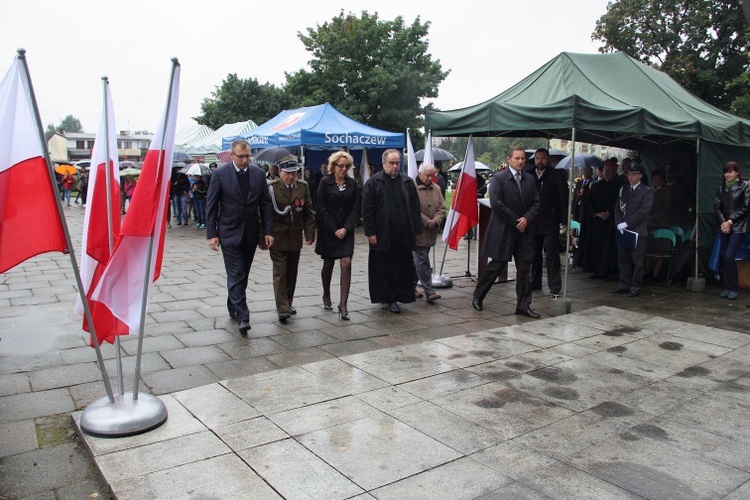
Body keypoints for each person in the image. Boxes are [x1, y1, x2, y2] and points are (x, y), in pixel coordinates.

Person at [206, 139, 274, 334]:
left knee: (242, 274)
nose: (245, 160)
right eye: (241, 156)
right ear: (232, 155)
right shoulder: (220, 174)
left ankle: (233, 305)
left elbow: (265, 205)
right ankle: (243, 317)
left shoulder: (259, 174)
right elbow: (212, 205)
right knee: (236, 273)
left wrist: (268, 231)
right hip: (228, 232)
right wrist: (212, 234)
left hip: (250, 232)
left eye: (247, 156)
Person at [472, 146, 540, 318]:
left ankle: (523, 305)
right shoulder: (499, 178)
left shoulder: (530, 180)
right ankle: (478, 296)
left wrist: (526, 219)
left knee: (524, 268)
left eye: (523, 158)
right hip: (504, 230)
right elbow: (497, 203)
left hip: (524, 232)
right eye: (517, 158)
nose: (520, 161)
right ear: (509, 159)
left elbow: (536, 202)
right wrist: (516, 221)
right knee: (496, 265)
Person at [361, 148, 424, 313]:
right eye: (391, 163)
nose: (395, 166)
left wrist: (417, 229)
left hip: (403, 234)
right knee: (384, 267)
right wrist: (370, 232)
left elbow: (415, 207)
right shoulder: (374, 183)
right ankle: (388, 298)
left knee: (402, 266)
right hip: (382, 234)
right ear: (384, 164)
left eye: (397, 163)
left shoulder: (407, 182)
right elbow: (367, 210)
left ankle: (401, 295)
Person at [265, 156, 316, 323]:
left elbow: (308, 212)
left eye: (294, 173)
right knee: (280, 272)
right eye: (288, 173)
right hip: (278, 237)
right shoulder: (272, 188)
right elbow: (265, 215)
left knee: (292, 272)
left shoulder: (302, 187)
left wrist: (309, 234)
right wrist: (264, 235)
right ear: (280, 172)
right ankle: (282, 308)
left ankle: (288, 301)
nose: (291, 177)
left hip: (294, 237)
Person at [315, 151, 360, 320]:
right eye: (341, 166)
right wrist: (334, 229)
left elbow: (356, 208)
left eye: (347, 166)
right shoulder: (325, 183)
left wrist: (346, 228)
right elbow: (321, 208)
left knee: (346, 263)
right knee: (328, 263)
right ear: (333, 166)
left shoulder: (353, 184)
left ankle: (343, 304)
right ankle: (326, 293)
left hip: (346, 230)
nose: (344, 169)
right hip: (329, 230)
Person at [527, 148, 568, 295]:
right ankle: (535, 281)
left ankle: (555, 286)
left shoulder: (557, 176)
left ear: (548, 160)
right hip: (532, 221)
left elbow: (563, 198)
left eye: (543, 158)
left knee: (551, 253)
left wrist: (564, 220)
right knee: (534, 253)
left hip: (550, 221)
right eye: (537, 158)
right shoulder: (529, 175)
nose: (540, 161)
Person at [612, 162, 653, 297]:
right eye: (629, 174)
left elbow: (643, 212)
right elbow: (618, 208)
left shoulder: (646, 192)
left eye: (634, 175)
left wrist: (627, 223)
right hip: (623, 229)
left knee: (637, 261)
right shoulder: (623, 189)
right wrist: (619, 223)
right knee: (622, 258)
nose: (631, 177)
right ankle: (624, 283)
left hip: (637, 231)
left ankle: (635, 285)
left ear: (640, 176)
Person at [714, 161, 750, 300]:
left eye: (730, 171)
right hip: (724, 227)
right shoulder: (721, 188)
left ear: (737, 172)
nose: (727, 174)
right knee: (724, 256)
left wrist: (730, 221)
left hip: (739, 227)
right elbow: (717, 207)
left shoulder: (744, 186)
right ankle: (727, 286)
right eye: (726, 172)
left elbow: (746, 208)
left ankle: (734, 287)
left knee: (730, 256)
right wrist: (723, 222)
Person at [579, 160, 620, 278]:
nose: (606, 172)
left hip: (610, 222)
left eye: (608, 170)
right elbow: (590, 203)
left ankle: (606, 269)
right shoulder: (596, 186)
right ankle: (596, 267)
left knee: (608, 246)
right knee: (596, 245)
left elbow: (618, 202)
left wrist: (609, 212)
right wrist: (596, 213)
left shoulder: (618, 186)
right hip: (597, 221)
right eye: (605, 170)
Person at [413, 163, 446, 303]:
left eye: (432, 175)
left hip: (431, 231)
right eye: (427, 175)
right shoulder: (412, 188)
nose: (430, 178)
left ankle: (410, 286)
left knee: (419, 261)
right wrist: (426, 220)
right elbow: (412, 208)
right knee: (422, 261)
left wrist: (436, 221)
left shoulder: (437, 188)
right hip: (418, 231)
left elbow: (442, 208)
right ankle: (429, 291)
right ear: (420, 174)